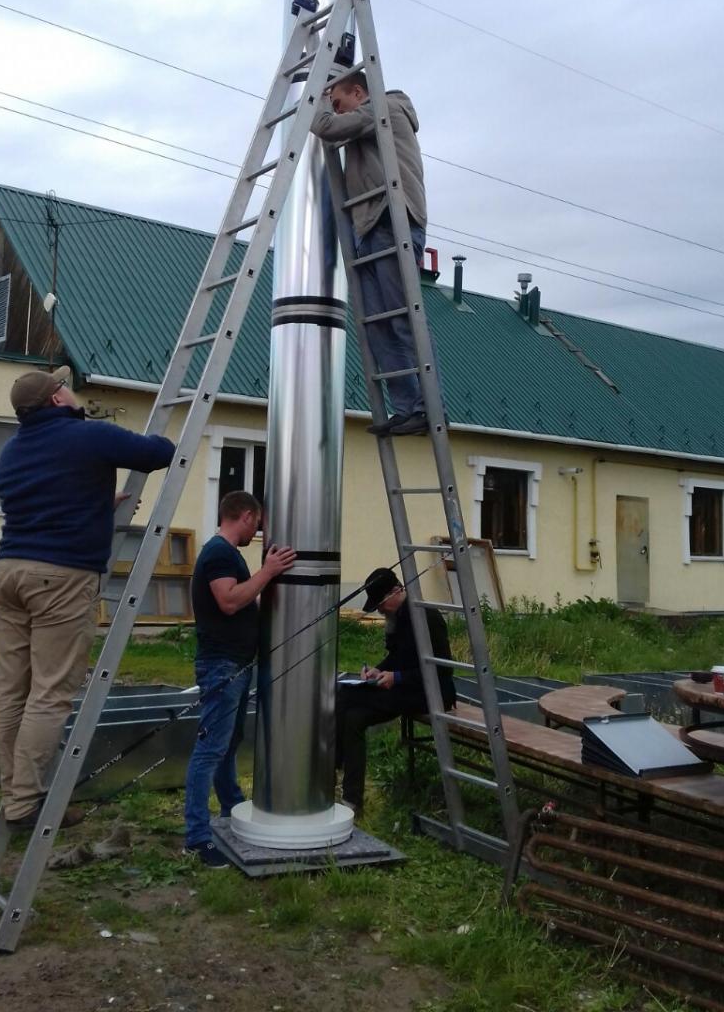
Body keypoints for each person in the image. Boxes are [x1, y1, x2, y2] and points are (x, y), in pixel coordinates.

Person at [0, 365, 175, 830]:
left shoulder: (12, 451)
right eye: (65, 386)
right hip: (60, 577)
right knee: (51, 693)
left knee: (11, 688)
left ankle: (14, 791)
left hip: (10, 572)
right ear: (57, 399)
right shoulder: (87, 436)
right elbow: (159, 453)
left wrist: (97, 499)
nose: (72, 391)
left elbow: (47, 496)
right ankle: (25, 805)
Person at [312, 73, 439, 437]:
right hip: (368, 226)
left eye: (338, 101)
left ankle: (427, 408)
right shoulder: (367, 121)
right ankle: (406, 409)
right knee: (377, 327)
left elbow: (325, 126)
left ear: (358, 92)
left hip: (390, 219)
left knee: (402, 320)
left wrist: (319, 98)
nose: (335, 110)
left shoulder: (383, 109)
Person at [183, 490, 296, 867]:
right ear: (246, 516)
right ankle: (198, 838)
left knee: (228, 744)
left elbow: (241, 602)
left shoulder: (228, 555)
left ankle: (231, 809)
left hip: (235, 664)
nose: (259, 532)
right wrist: (268, 571)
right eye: (259, 523)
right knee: (211, 748)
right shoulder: (219, 553)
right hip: (222, 666)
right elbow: (229, 601)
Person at [335, 566, 456, 814]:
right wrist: (378, 671)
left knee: (347, 696)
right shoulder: (398, 618)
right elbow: (397, 658)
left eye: (379, 604)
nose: (379, 611)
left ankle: (332, 767)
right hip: (406, 689)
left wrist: (397, 678)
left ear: (394, 593)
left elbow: (441, 670)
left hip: (430, 694)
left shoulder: (426, 618)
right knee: (353, 717)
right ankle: (351, 799)